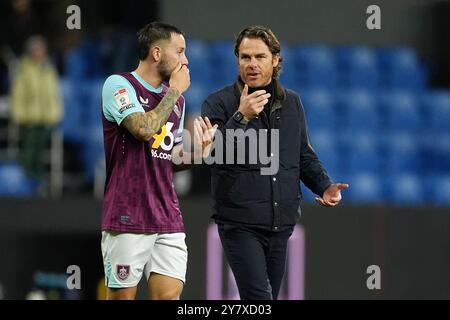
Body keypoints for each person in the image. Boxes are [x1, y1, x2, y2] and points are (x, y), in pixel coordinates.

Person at [201, 26, 349, 300]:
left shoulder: (292, 102)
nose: (252, 64)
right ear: (237, 60)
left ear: (276, 59)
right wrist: (241, 117)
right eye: (245, 57)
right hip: (240, 223)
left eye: (260, 56)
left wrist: (324, 186)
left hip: (281, 224)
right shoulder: (218, 103)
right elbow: (213, 155)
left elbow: (302, 154)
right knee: (260, 300)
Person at [100, 22, 216, 300]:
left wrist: (201, 154)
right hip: (127, 215)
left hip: (167, 217)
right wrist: (175, 91)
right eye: (180, 51)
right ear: (156, 52)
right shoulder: (119, 85)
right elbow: (143, 129)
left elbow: (168, 156)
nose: (186, 60)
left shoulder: (176, 102)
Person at [10, 35, 63, 183]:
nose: (41, 52)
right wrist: (19, 114)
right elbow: (19, 93)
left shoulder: (48, 69)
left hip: (44, 117)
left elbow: (53, 93)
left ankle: (36, 180)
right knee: (29, 149)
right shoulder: (24, 69)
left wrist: (55, 114)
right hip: (30, 117)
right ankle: (27, 178)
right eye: (38, 49)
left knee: (40, 149)